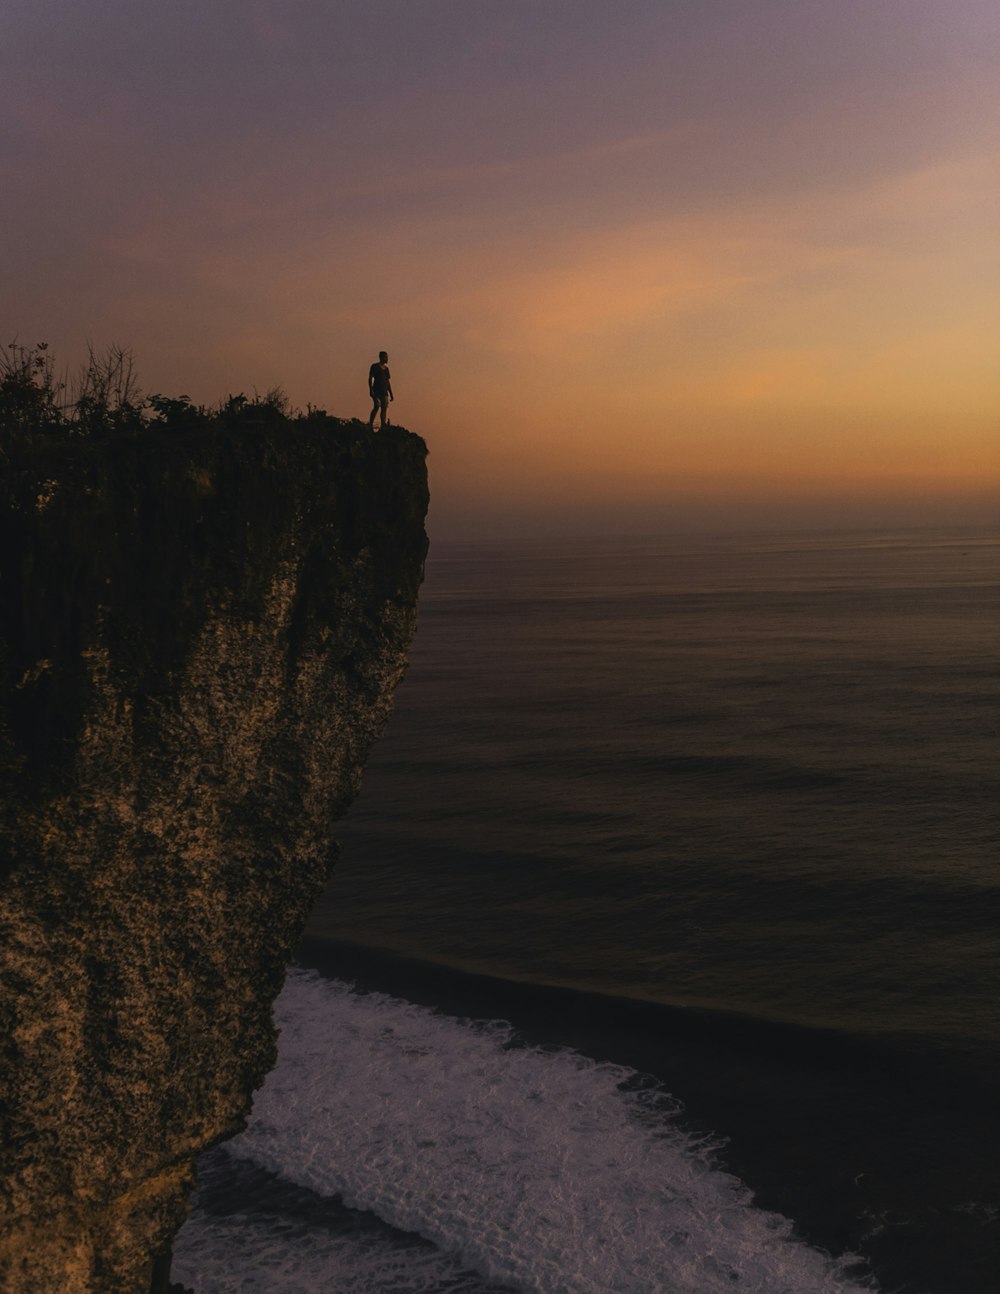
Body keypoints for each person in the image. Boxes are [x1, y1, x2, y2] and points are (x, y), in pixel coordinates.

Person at [368, 351, 393, 429]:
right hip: (376, 390)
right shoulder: (375, 366)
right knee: (376, 406)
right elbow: (370, 378)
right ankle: (370, 424)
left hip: (384, 392)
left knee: (384, 407)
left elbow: (388, 381)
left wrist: (391, 393)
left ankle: (383, 425)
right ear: (381, 357)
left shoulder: (386, 369)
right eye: (385, 357)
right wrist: (371, 389)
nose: (387, 358)